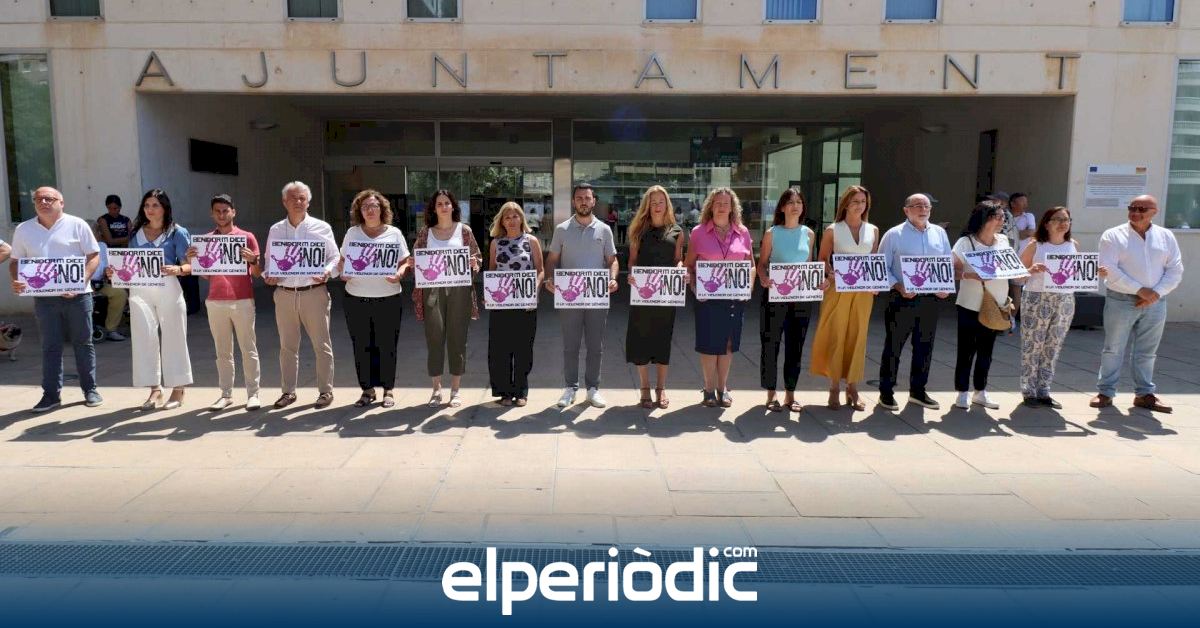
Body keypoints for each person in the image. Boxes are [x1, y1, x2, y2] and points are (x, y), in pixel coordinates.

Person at [9, 186, 103, 412]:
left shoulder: (77, 224)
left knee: (84, 343)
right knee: (50, 346)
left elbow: (94, 255)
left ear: (61, 202)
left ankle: (90, 389)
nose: (43, 202)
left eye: (49, 199)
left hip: (78, 297)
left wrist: (80, 281)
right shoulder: (24, 229)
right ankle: (51, 395)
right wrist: (17, 279)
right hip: (44, 299)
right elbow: (15, 261)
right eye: (38, 199)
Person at [1092, 195, 1184, 413]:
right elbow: (1109, 268)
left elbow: (1175, 269)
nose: (1135, 212)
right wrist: (1140, 290)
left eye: (1142, 209)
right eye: (1132, 207)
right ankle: (1105, 392)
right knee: (1113, 348)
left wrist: (1155, 294)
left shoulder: (1166, 236)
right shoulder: (1113, 235)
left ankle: (1144, 394)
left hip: (1155, 302)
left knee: (1147, 350)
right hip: (1121, 299)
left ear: (1154, 212)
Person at [112, 189, 193, 410]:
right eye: (147, 205)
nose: (150, 209)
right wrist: (115, 272)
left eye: (155, 205)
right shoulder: (135, 233)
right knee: (143, 338)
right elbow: (129, 264)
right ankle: (155, 389)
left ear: (165, 208)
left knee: (174, 336)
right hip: (140, 290)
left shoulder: (177, 232)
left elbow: (190, 265)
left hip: (168, 286)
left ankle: (178, 388)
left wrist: (178, 269)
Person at [263, 181, 340, 410]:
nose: (298, 202)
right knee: (287, 347)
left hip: (313, 293)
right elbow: (269, 261)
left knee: (322, 345)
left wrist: (327, 271)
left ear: (308, 202)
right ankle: (288, 392)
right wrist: (269, 275)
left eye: (302, 198)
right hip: (285, 294)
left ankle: (325, 391)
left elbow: (335, 257)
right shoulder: (276, 230)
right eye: (293, 198)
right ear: (284, 202)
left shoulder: (322, 227)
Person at [874, 192, 952, 411]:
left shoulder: (939, 233)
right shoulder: (894, 234)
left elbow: (945, 263)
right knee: (894, 347)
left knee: (924, 347)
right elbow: (881, 266)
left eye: (927, 206)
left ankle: (918, 391)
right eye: (918, 205)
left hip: (930, 300)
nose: (923, 210)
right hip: (902, 299)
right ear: (906, 210)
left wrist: (945, 286)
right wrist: (898, 286)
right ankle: (886, 392)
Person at [545, 183, 619, 408]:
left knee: (595, 346)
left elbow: (612, 260)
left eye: (587, 198)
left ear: (594, 201)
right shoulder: (562, 229)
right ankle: (570, 387)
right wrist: (550, 278)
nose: (583, 202)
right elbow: (552, 260)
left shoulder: (604, 230)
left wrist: (613, 277)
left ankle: (593, 389)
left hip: (597, 297)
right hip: (570, 297)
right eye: (579, 198)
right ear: (573, 201)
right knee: (571, 345)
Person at [187, 194, 263, 411]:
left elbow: (257, 273)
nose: (221, 215)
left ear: (233, 212)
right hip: (215, 300)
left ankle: (253, 393)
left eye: (225, 211)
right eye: (217, 211)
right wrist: (193, 260)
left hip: (243, 299)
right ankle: (226, 394)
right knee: (222, 352)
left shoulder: (247, 237)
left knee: (248, 348)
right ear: (212, 214)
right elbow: (206, 275)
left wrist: (253, 260)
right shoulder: (205, 241)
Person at [339, 189, 411, 409]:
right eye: (365, 207)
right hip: (356, 298)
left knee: (387, 344)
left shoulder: (394, 233)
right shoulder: (352, 233)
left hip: (388, 298)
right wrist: (343, 272)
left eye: (374, 205)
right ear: (359, 211)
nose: (370, 210)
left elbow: (406, 262)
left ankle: (388, 389)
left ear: (382, 209)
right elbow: (342, 260)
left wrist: (400, 274)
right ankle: (367, 390)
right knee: (361, 345)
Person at [810, 185, 879, 411]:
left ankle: (853, 386)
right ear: (846, 204)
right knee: (836, 334)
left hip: (863, 292)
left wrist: (876, 282)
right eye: (855, 201)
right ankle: (834, 387)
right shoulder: (833, 230)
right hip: (838, 289)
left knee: (858, 336)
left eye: (863, 201)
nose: (860, 205)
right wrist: (831, 274)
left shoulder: (873, 230)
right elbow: (823, 258)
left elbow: (874, 260)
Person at [412, 189, 483, 409]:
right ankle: (436, 389)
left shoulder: (464, 231)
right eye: (439, 204)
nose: (443, 207)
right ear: (434, 208)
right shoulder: (426, 232)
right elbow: (415, 258)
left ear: (453, 206)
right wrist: (414, 264)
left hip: (459, 289)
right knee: (434, 337)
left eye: (447, 203)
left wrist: (474, 264)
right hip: (432, 290)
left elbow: (477, 258)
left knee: (458, 337)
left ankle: (455, 389)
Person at [685, 187, 755, 408]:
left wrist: (749, 287)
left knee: (728, 343)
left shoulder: (743, 232)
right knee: (709, 344)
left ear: (733, 207)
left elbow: (751, 265)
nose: (722, 206)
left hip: (734, 298)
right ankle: (708, 389)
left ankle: (722, 388)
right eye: (718, 203)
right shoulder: (698, 233)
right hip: (707, 299)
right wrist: (694, 288)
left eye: (726, 203)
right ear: (711, 206)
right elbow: (689, 266)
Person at [756, 188, 818, 413]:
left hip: (800, 299)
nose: (795, 206)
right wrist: (763, 277)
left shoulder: (809, 234)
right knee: (770, 343)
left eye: (799, 202)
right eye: (790, 202)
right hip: (775, 296)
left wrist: (818, 281)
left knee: (796, 346)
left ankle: (790, 394)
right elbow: (762, 264)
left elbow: (809, 265)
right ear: (782, 207)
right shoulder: (772, 233)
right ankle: (771, 393)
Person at [624, 185, 683, 409]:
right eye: (653, 202)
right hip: (642, 295)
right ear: (647, 205)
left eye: (661, 201)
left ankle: (661, 388)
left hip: (666, 295)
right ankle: (645, 388)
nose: (657, 206)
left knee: (662, 340)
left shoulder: (677, 231)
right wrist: (631, 275)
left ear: (667, 204)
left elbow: (678, 259)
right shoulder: (637, 230)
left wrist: (680, 268)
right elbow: (632, 261)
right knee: (640, 339)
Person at [951, 202, 1010, 410]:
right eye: (998, 216)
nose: (1002, 221)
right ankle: (962, 392)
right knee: (966, 350)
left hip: (996, 304)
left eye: (1003, 217)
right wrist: (970, 275)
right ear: (985, 218)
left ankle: (980, 391)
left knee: (987, 350)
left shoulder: (1003, 240)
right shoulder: (965, 242)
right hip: (970, 303)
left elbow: (1010, 265)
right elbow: (951, 271)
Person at [1019, 206, 1078, 408]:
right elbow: (1017, 274)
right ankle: (1029, 391)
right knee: (1033, 345)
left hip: (1064, 300)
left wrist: (1095, 273)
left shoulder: (1072, 245)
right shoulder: (1035, 245)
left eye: (1066, 219)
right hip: (1037, 298)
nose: (1063, 223)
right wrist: (1031, 270)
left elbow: (1076, 273)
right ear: (1046, 223)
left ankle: (1044, 390)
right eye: (1057, 219)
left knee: (1053, 345)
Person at [488, 201, 544, 407]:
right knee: (501, 349)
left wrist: (534, 289)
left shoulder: (531, 241)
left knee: (523, 348)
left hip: (525, 303)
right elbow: (492, 271)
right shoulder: (496, 243)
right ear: (502, 221)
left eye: (515, 216)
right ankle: (504, 392)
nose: (511, 220)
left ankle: (521, 391)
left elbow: (540, 270)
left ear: (521, 218)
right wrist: (489, 293)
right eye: (507, 217)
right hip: (502, 305)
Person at [1008, 192, 1036, 331]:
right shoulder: (1005, 216)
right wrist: (1020, 233)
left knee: (1016, 289)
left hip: (1020, 258)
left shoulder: (1028, 216)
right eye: (1022, 202)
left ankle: (1012, 318)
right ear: (1013, 203)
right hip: (1005, 257)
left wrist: (1012, 235)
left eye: (1026, 202)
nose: (1025, 205)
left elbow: (1031, 232)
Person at [90, 242, 128, 342]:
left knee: (120, 293)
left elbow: (106, 267)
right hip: (81, 284)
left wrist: (107, 272)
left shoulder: (102, 245)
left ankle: (111, 330)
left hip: (99, 283)